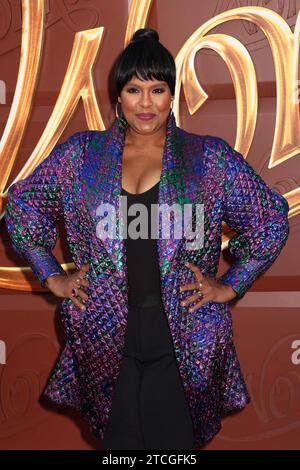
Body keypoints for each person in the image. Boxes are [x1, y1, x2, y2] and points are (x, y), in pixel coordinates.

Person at [4, 28, 289, 450]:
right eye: (134, 89)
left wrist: (231, 285)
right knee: (120, 450)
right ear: (118, 95)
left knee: (173, 451)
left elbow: (270, 218)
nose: (145, 103)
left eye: (157, 89)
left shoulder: (206, 158)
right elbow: (22, 206)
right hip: (102, 332)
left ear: (172, 95)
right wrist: (52, 276)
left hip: (184, 333)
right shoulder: (82, 155)